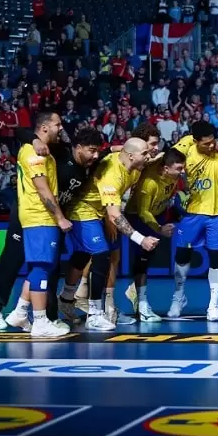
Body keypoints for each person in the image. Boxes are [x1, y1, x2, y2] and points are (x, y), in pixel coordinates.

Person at [0, 126, 103, 330]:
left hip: (54, 217)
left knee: (49, 267)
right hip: (28, 214)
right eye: (92, 150)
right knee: (13, 260)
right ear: (79, 147)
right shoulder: (57, 151)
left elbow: (115, 151)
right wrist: (35, 140)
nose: (95, 155)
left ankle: (48, 315)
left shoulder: (92, 161)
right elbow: (20, 131)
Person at [57, 138, 157, 331]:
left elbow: (152, 158)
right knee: (102, 255)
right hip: (83, 209)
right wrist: (141, 239)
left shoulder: (135, 166)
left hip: (99, 211)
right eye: (144, 153)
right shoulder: (112, 173)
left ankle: (66, 299)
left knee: (82, 254)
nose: (148, 156)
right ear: (130, 155)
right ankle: (95, 314)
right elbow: (114, 214)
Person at [169, 121, 218, 320]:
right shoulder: (185, 149)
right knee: (183, 255)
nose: (211, 146)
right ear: (195, 141)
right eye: (206, 143)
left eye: (213, 141)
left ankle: (213, 305)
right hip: (191, 213)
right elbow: (167, 163)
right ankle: (179, 296)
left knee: (216, 256)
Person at [10, 111, 72, 337]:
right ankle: (40, 322)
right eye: (57, 124)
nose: (60, 128)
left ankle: (20, 312)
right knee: (41, 267)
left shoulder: (43, 150)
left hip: (39, 217)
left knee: (41, 266)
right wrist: (60, 218)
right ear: (45, 128)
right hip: (40, 216)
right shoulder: (33, 152)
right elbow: (43, 189)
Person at [122, 148, 187, 322]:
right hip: (138, 218)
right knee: (142, 261)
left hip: (157, 216)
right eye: (179, 169)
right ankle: (142, 305)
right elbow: (144, 213)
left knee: (147, 260)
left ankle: (135, 294)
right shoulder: (150, 183)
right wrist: (160, 229)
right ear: (166, 169)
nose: (183, 172)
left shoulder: (172, 176)